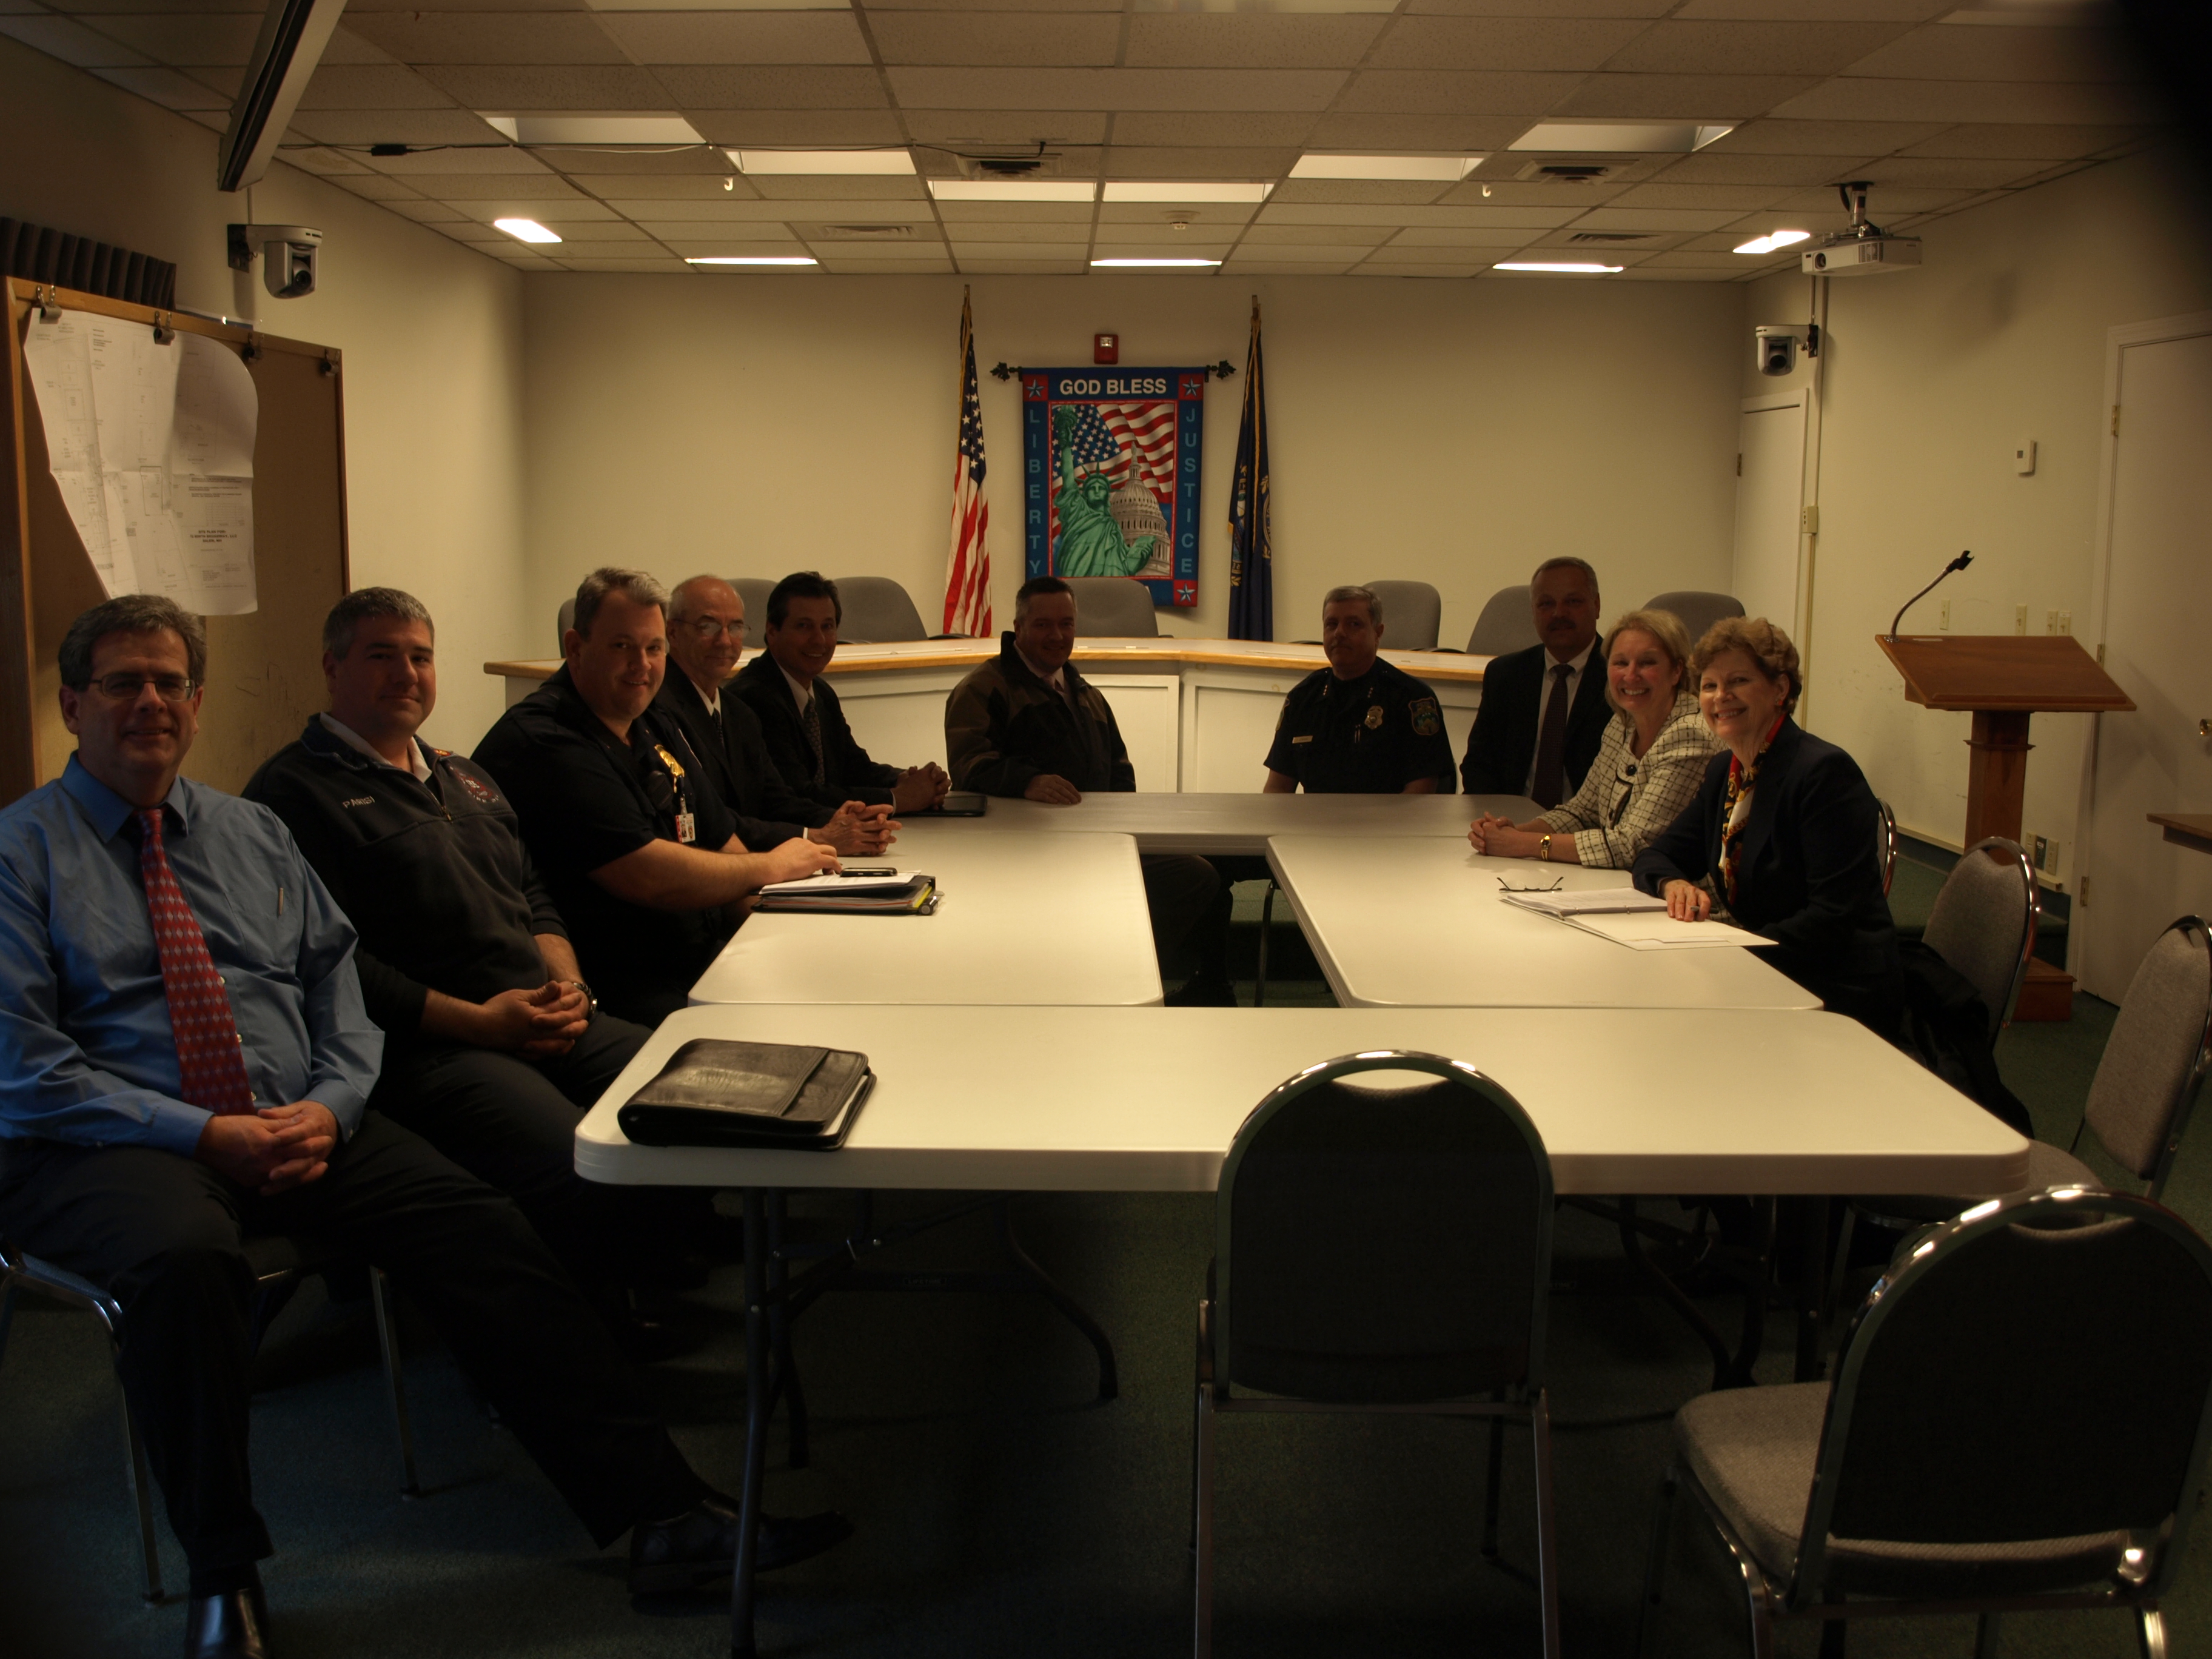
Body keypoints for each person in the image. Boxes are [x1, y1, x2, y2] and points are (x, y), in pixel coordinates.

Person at [0, 595, 847, 1659]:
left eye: (171, 682)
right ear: (74, 703)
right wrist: (206, 1136)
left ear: (200, 702)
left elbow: (335, 997)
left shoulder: (247, 833)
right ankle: (226, 1574)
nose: (151, 703)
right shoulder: (19, 855)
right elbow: (23, 1068)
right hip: (122, 1142)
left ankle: (661, 1514)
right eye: (124, 682)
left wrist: (331, 1103)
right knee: (184, 1265)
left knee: (486, 1224)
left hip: (299, 1115)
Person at [245, 588, 706, 1352]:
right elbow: (329, 966)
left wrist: (568, 984)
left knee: (690, 1087)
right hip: (427, 1044)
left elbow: (532, 893)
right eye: (381, 655)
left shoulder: (465, 775)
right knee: (576, 1158)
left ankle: (638, 1268)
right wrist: (484, 1023)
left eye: (420, 656)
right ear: (332, 667)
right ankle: (571, 1342)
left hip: (538, 1010)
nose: (407, 673)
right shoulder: (292, 796)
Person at [474, 568, 837, 1025]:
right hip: (617, 987)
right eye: (622, 646)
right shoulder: (545, 741)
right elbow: (649, 875)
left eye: (653, 649)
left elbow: (721, 836)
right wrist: (772, 866)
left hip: (695, 962)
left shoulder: (653, 723)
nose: (641, 666)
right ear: (575, 648)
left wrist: (771, 941)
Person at [945, 575, 1233, 1004]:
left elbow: (1120, 771)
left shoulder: (1085, 693)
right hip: (1024, 854)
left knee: (1204, 880)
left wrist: (1125, 831)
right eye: (1043, 625)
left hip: (1097, 844)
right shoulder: (983, 690)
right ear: (1018, 627)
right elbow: (969, 767)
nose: (1057, 635)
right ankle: (1109, 981)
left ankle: (1188, 987)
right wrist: (1028, 781)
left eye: (1066, 623)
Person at [1632, 617, 1903, 1033]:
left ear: (1780, 690)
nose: (1721, 697)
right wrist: (1673, 884)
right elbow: (1656, 855)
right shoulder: (1728, 770)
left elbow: (1833, 918)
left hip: (1836, 987)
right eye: (1709, 685)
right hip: (1768, 969)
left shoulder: (1823, 772)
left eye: (1738, 681)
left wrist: (1734, 953)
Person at [653, 574, 896, 856]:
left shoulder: (737, 713)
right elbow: (710, 818)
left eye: (735, 628)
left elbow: (774, 799)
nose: (724, 641)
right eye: (708, 626)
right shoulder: (657, 709)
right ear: (672, 632)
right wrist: (814, 837)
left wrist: (844, 822)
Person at [1467, 608, 1714, 868]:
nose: (1631, 675)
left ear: (1677, 671)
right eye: (1620, 663)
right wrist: (1512, 832)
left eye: (1646, 663)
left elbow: (1633, 845)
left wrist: (1522, 844)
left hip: (1684, 897)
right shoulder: (1622, 724)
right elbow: (1583, 812)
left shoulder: (1691, 735)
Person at [734, 570, 952, 816]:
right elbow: (796, 793)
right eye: (804, 626)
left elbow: (854, 767)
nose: (819, 640)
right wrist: (897, 798)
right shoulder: (753, 697)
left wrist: (912, 780)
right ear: (772, 632)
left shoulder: (821, 693)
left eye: (827, 627)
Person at [1262, 585, 1453, 794]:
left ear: (1378, 633)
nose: (1340, 633)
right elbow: (1277, 787)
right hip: (1316, 823)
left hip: (1387, 823)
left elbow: (1421, 795)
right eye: (1331, 624)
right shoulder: (1303, 698)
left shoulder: (1411, 698)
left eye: (1354, 624)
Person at [1458, 557, 1611, 805]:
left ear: (1597, 605)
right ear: (1533, 612)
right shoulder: (1506, 674)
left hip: (1588, 830)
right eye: (1546, 604)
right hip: (1511, 823)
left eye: (1573, 602)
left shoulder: (1619, 677)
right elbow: (1479, 765)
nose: (1559, 613)